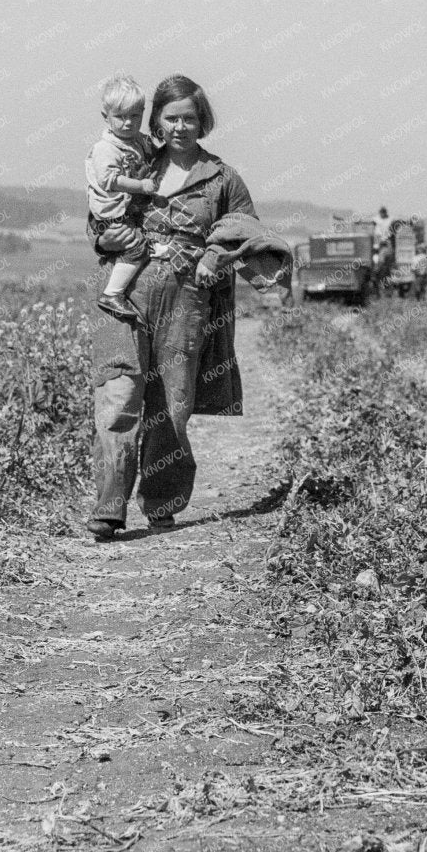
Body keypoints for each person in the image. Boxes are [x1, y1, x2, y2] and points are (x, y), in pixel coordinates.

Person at [88, 74, 285, 540]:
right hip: (124, 294)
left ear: (203, 122)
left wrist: (215, 255)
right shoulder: (134, 161)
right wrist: (104, 237)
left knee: (171, 403)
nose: (179, 127)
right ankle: (109, 507)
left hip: (187, 299)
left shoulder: (222, 178)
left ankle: (162, 501)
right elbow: (98, 213)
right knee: (117, 396)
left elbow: (246, 229)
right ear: (156, 121)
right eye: (170, 118)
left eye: (189, 119)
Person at [85, 74, 161, 325]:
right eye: (120, 117)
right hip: (111, 213)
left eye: (135, 116)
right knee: (136, 247)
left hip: (126, 210)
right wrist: (141, 186)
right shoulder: (105, 148)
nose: (128, 123)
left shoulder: (138, 141)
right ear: (105, 117)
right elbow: (109, 180)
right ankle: (113, 293)